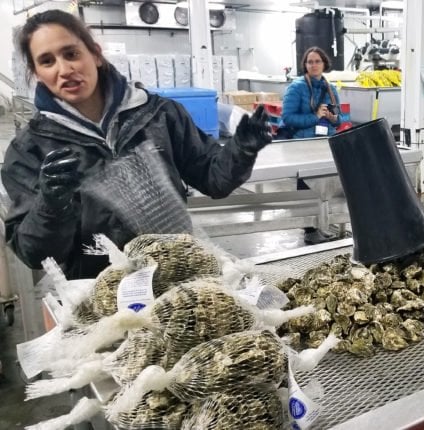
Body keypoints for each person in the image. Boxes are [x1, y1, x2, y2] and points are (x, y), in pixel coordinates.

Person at [1, 10, 272, 279]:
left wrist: (241, 150)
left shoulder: (160, 115)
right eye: (47, 61)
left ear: (95, 54)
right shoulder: (29, 150)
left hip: (179, 277)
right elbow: (34, 254)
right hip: (100, 294)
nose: (64, 69)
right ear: (36, 72)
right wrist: (51, 206)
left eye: (71, 54)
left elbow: (214, 178)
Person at [281, 47, 341, 244]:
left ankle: (323, 223)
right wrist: (314, 117)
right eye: (309, 62)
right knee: (306, 187)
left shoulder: (330, 89)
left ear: (324, 64)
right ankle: (309, 229)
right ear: (305, 65)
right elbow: (288, 118)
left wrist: (333, 118)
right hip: (304, 145)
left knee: (325, 186)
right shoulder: (296, 88)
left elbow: (340, 119)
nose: (313, 65)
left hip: (325, 144)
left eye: (317, 61)